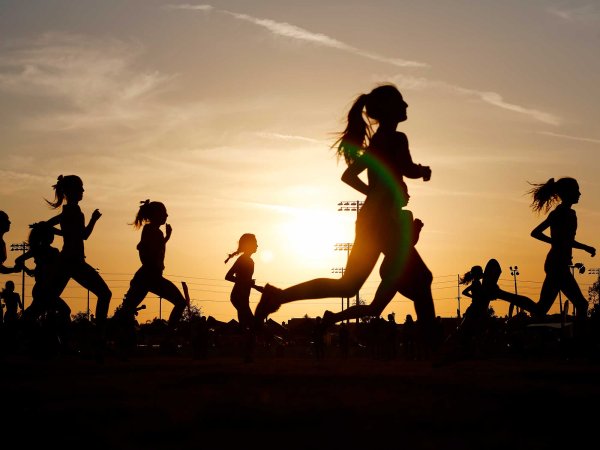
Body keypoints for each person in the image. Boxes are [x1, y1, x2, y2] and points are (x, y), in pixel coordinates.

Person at [255, 84, 431, 325]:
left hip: (370, 220)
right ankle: (434, 345)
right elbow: (407, 169)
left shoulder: (376, 143)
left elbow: (348, 176)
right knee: (421, 279)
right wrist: (423, 171)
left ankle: (278, 295)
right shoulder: (397, 139)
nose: (406, 105)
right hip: (383, 222)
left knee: (349, 285)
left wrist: (376, 192)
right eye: (401, 101)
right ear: (390, 109)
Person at [44, 175, 112, 356]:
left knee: (47, 299)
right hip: (74, 261)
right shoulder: (73, 211)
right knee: (105, 294)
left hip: (67, 260)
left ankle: (48, 337)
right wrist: (94, 219)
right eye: (80, 188)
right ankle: (100, 337)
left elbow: (59, 227)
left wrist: (47, 227)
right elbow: (84, 235)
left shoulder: (70, 210)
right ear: (71, 192)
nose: (83, 191)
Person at [117, 200, 188, 354]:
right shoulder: (151, 231)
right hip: (149, 277)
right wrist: (153, 266)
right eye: (164, 213)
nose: (167, 215)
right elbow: (145, 251)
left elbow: (153, 248)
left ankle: (120, 340)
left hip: (147, 277)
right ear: (156, 215)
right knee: (180, 302)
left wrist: (167, 238)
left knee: (127, 310)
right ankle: (166, 339)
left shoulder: (153, 231)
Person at [528, 177, 596, 323]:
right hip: (557, 265)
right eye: (576, 190)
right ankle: (578, 340)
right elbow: (536, 233)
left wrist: (584, 247)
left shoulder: (568, 214)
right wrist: (556, 242)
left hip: (558, 263)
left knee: (541, 309)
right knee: (582, 304)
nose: (579, 193)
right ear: (567, 193)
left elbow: (567, 241)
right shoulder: (561, 214)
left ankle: (503, 296)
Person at [225, 233, 264, 329]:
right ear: (249, 245)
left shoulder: (247, 260)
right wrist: (250, 284)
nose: (257, 245)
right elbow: (228, 276)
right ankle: (215, 324)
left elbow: (244, 281)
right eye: (255, 243)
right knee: (253, 325)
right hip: (239, 297)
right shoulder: (243, 260)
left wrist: (254, 286)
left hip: (242, 297)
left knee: (244, 326)